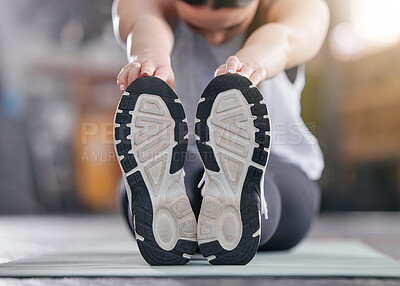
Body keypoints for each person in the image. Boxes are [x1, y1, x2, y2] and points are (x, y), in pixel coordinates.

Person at [112, 0, 329, 265]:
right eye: (196, 26)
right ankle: (215, 220)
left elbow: (287, 38)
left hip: (279, 162)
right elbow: (142, 21)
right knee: (162, 186)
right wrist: (149, 59)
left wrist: (254, 61)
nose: (214, 39)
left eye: (232, 26)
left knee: (264, 190)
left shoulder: (295, 6)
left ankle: (221, 210)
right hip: (185, 161)